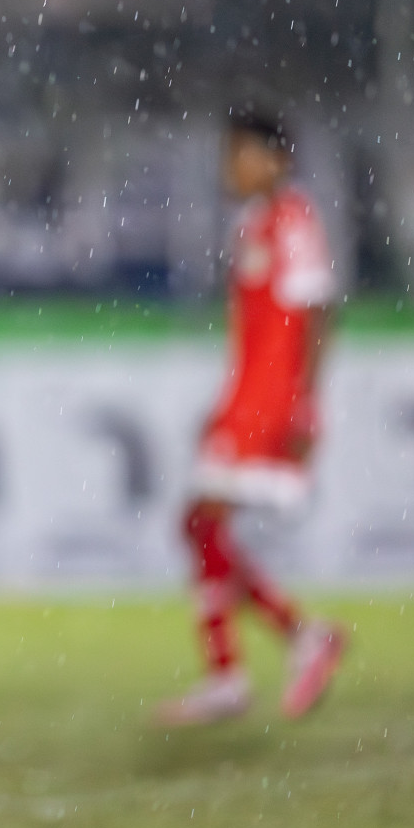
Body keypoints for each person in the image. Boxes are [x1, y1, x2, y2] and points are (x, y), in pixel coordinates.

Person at [155, 110, 346, 727]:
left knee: (201, 522)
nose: (231, 168)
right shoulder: (252, 224)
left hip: (272, 404)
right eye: (228, 155)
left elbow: (317, 313)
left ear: (277, 160)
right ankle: (288, 643)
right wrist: (225, 403)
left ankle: (242, 669)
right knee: (199, 525)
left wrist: (306, 408)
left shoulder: (293, 220)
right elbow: (257, 331)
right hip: (247, 398)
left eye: (242, 155)